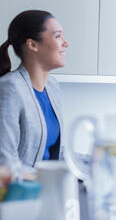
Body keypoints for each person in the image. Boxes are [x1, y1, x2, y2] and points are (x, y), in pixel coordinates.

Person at [0, 10, 69, 170]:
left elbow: (53, 155)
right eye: (58, 36)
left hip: (46, 188)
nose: (66, 43)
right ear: (32, 45)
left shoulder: (52, 87)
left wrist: (95, 159)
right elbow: (5, 164)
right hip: (19, 193)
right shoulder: (9, 88)